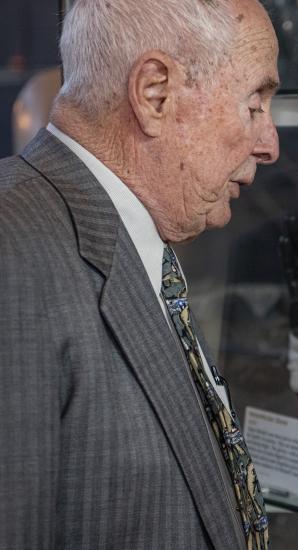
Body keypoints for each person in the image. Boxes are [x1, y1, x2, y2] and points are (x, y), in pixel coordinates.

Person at [0, 0, 280, 548]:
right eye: (255, 104)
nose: (270, 144)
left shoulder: (125, 231)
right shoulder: (13, 254)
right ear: (155, 93)